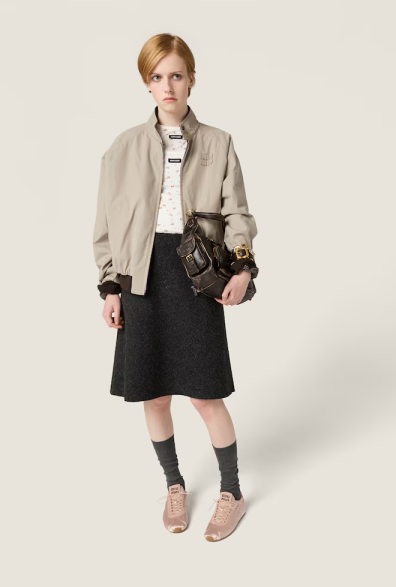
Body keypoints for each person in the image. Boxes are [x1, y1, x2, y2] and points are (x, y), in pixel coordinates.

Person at [92, 33, 259, 542]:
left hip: (196, 275)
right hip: (141, 277)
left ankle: (231, 491)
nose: (168, 86)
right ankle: (174, 484)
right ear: (147, 84)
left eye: (177, 75)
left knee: (206, 396)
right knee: (156, 395)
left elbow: (237, 213)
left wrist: (243, 269)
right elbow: (106, 225)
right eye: (157, 77)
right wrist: (111, 286)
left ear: (191, 80)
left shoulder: (218, 142)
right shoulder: (122, 148)